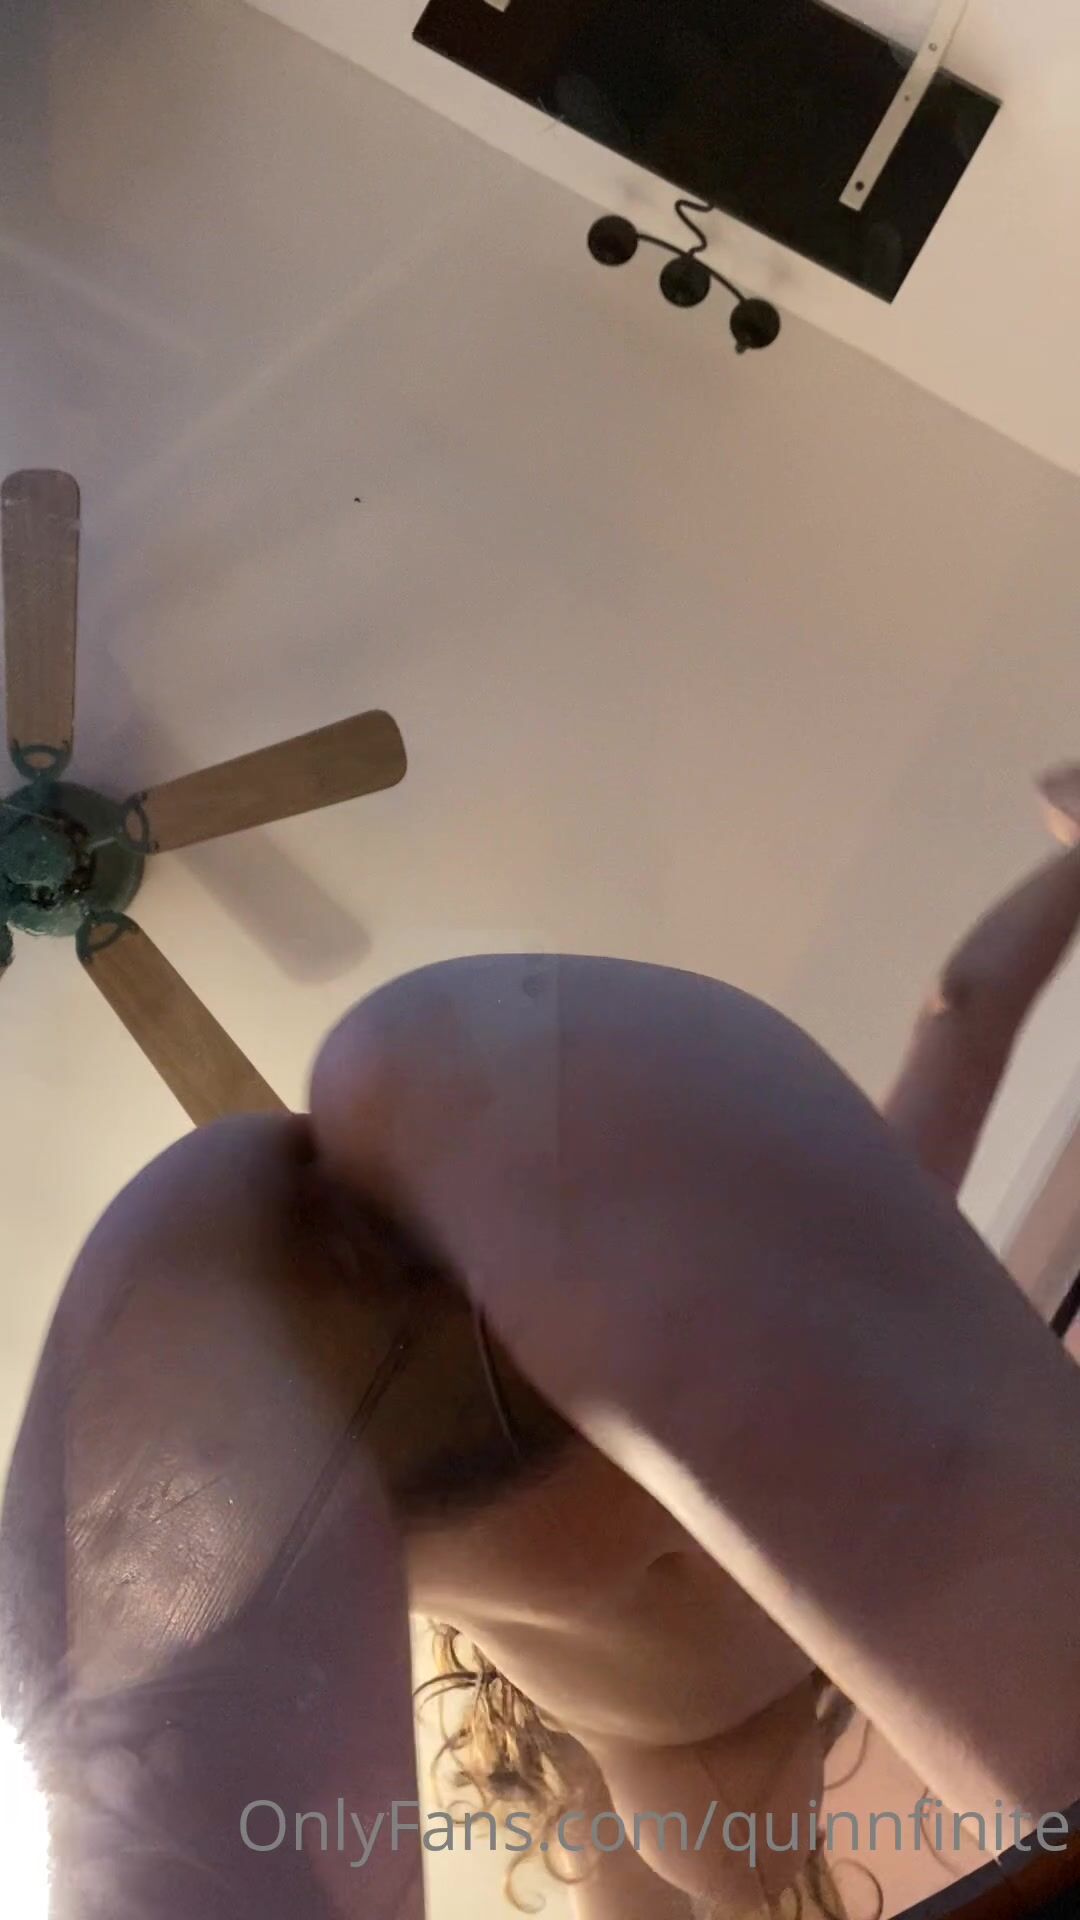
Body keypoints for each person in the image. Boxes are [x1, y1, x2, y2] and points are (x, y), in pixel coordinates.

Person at [3, 771, 1080, 1920]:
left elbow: (961, 1018)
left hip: (453, 1448)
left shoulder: (646, 1766)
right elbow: (962, 1017)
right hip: (470, 1419)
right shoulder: (654, 1754)